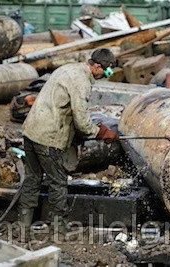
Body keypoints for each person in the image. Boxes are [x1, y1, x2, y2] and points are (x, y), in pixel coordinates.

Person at [19, 48, 119, 235]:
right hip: (49, 136)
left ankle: (23, 227)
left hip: (31, 130)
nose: (107, 74)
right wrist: (101, 132)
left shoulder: (69, 69)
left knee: (32, 178)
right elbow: (82, 122)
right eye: (106, 71)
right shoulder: (82, 82)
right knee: (58, 182)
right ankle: (58, 228)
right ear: (97, 67)